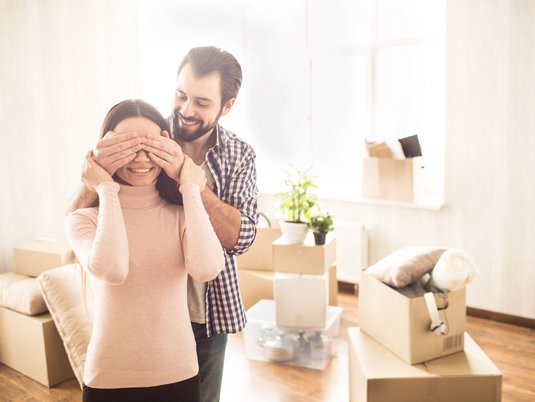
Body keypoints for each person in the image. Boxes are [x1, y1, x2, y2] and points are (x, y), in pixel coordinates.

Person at [66, 46, 259, 402]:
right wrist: (94, 175)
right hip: (134, 318)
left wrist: (191, 182)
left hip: (207, 312)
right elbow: (78, 218)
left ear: (227, 105)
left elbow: (241, 238)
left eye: (202, 102)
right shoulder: (148, 128)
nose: (186, 110)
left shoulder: (239, 155)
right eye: (181, 95)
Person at [65, 99, 225, 402]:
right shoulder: (83, 220)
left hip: (179, 374)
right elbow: (112, 269)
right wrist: (105, 188)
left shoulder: (182, 215)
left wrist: (190, 186)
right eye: (126, 146)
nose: (140, 157)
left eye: (151, 146)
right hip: (108, 380)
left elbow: (207, 268)